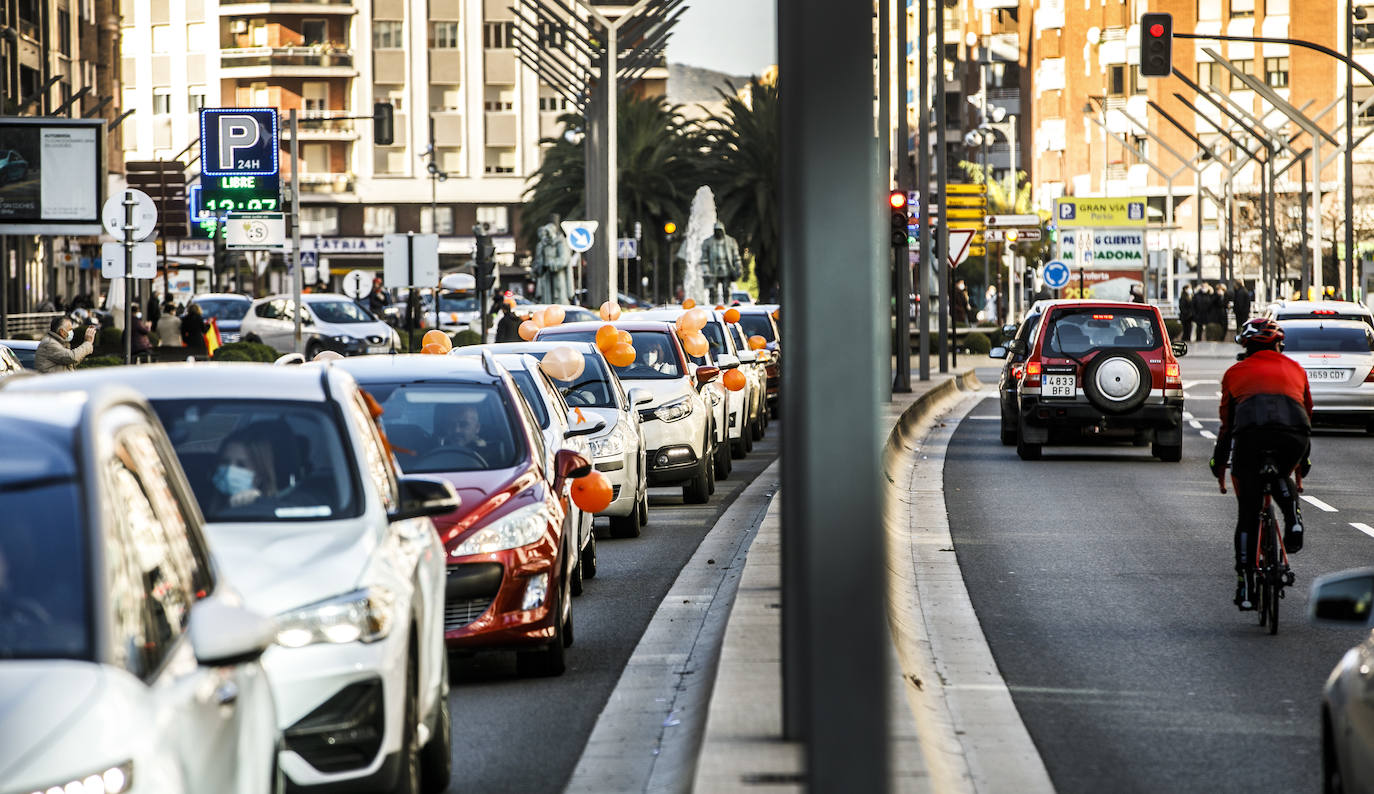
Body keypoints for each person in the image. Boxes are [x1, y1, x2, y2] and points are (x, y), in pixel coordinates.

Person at [1209, 318, 1313, 610]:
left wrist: (1219, 466)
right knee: (1281, 474)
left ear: (1246, 346)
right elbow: (1307, 416)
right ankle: (1293, 522)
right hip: (1292, 435)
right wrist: (1302, 465)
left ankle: (1245, 587)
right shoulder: (1296, 369)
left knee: (1248, 513)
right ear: (1279, 345)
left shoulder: (1234, 373)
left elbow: (1227, 427)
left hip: (1251, 436)